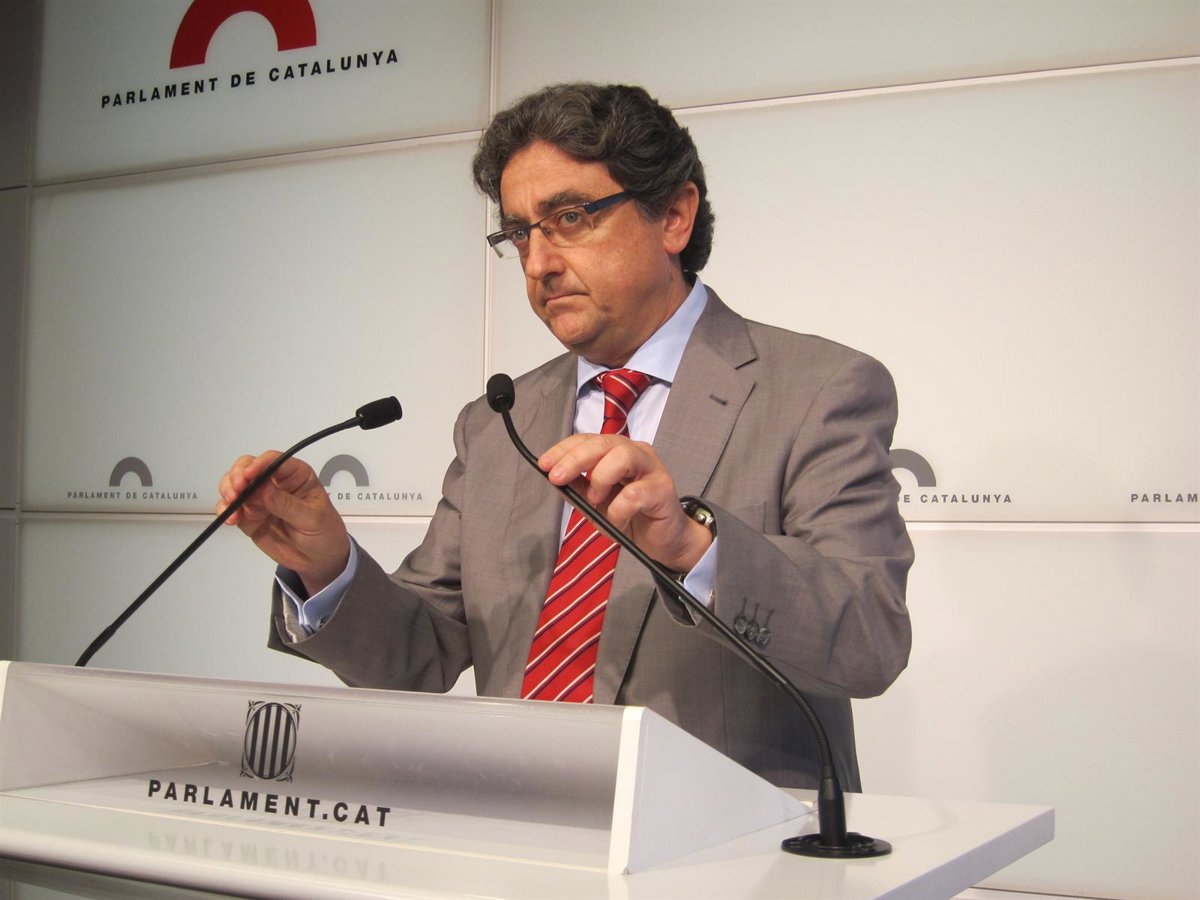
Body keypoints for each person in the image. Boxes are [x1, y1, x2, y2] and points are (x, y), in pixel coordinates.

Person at [218, 82, 913, 790]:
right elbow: (420, 655)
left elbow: (869, 641)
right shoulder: (498, 422)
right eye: (521, 233)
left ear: (674, 216)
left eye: (571, 218)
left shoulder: (817, 389)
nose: (538, 263)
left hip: (728, 837)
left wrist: (695, 548)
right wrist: (327, 567)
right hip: (518, 827)